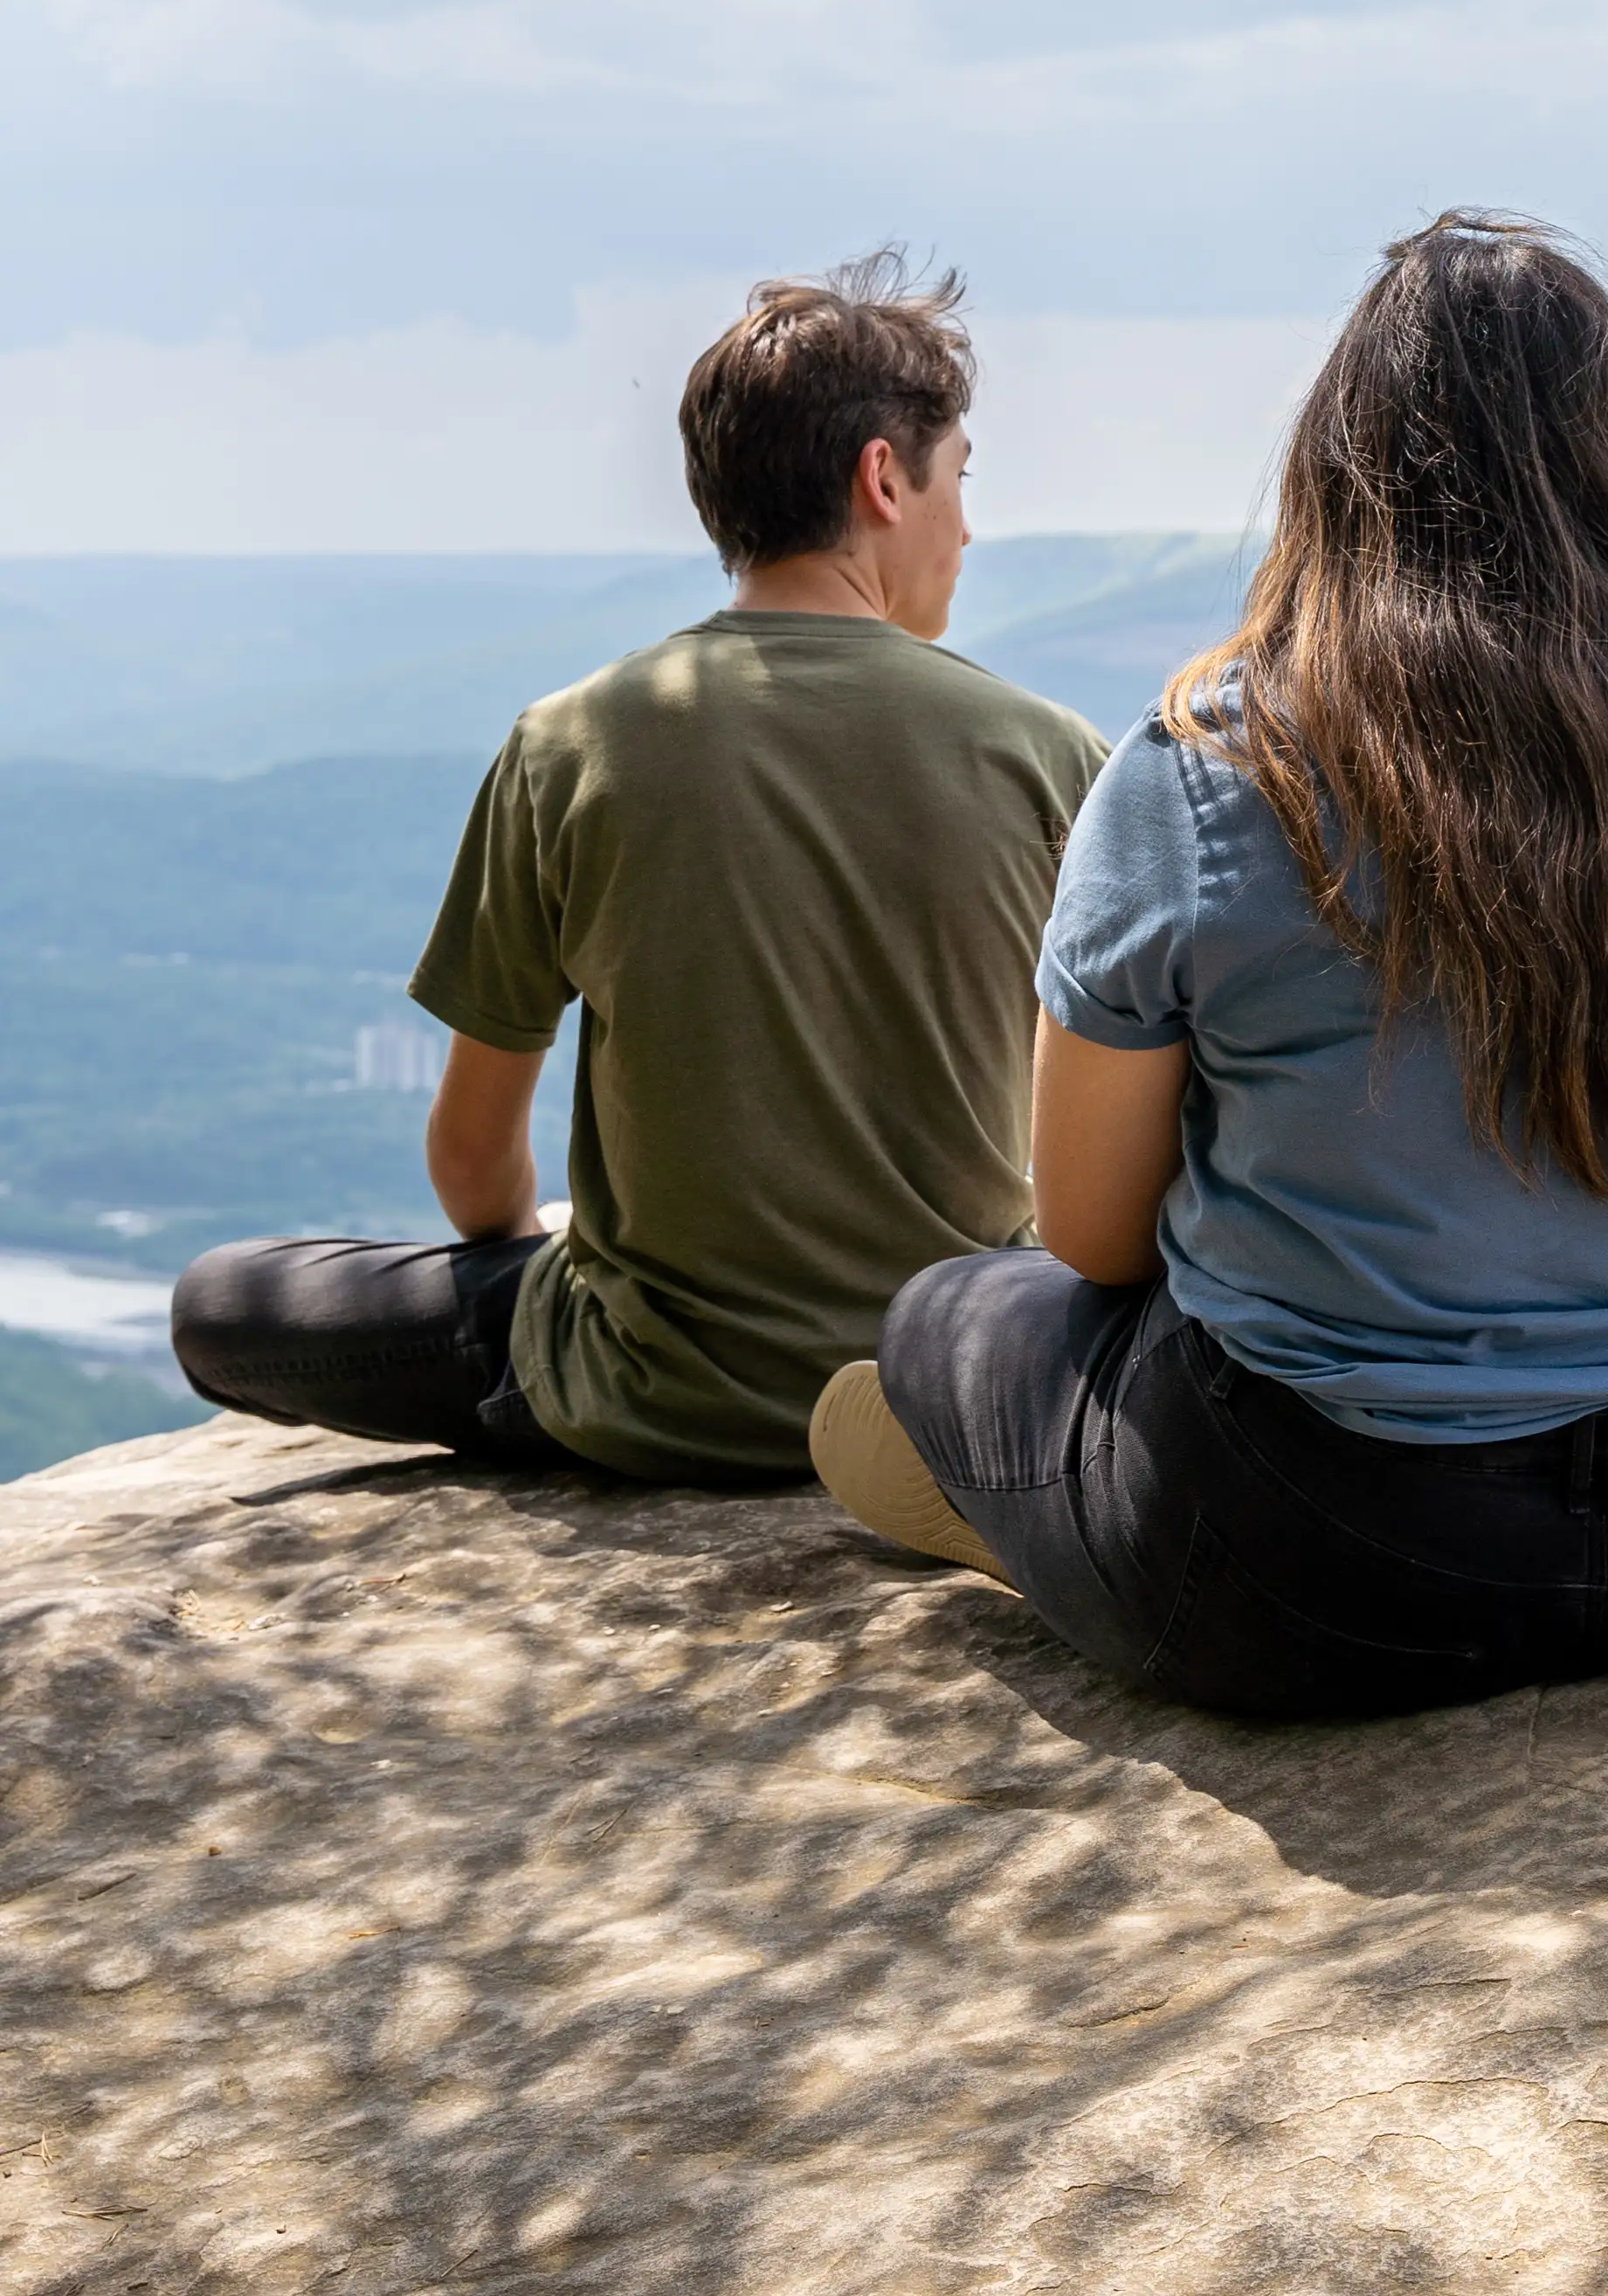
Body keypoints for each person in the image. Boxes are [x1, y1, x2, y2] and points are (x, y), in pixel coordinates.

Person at [811, 215, 1608, 1720]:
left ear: (1339, 457)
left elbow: (1091, 1233)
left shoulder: (1213, 758)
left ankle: (1052, 1528)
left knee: (952, 1309)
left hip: (1330, 1558)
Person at [169, 258, 1111, 1483]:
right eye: (959, 478)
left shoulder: (570, 741)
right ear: (884, 476)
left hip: (633, 1393)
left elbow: (470, 1167)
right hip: (948, 1379)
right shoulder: (1052, 757)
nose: (967, 525)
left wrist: (529, 1265)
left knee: (221, 1302)